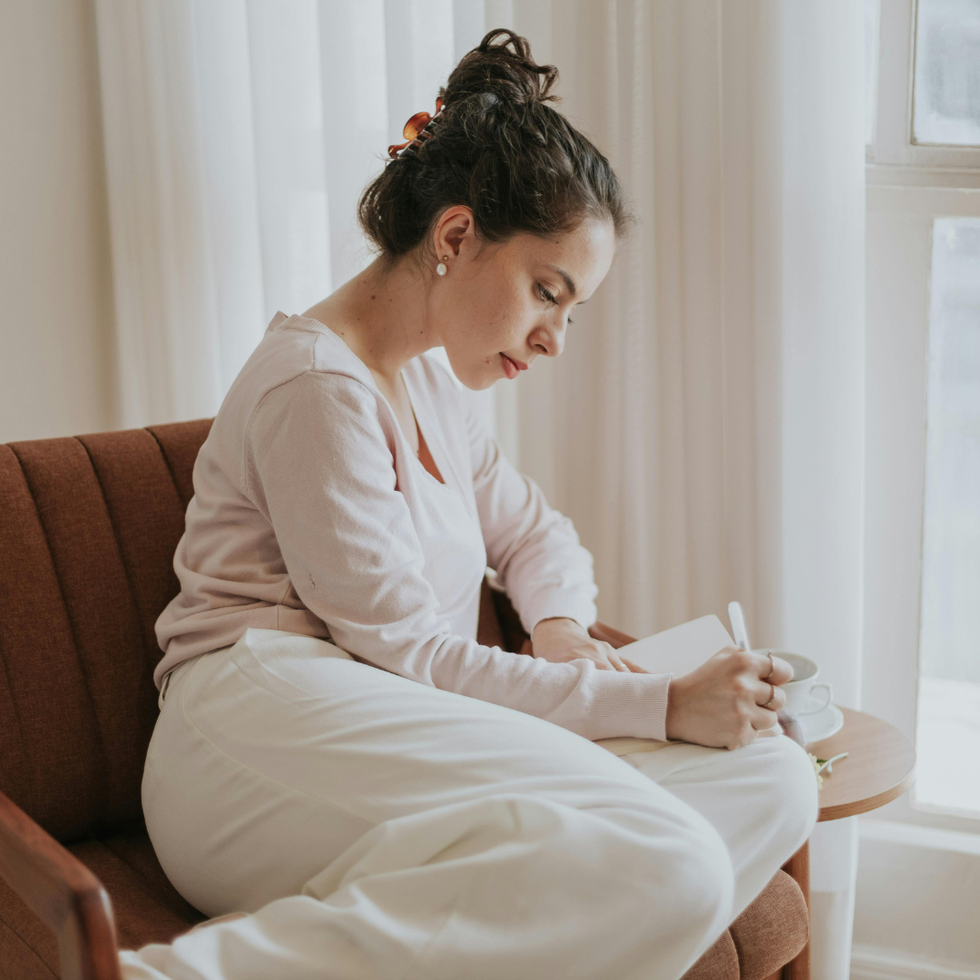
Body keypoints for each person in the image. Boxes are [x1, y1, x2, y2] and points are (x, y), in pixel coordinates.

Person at [122, 29, 818, 980]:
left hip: (395, 718)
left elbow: (534, 534)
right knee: (680, 858)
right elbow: (406, 651)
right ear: (455, 236)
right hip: (258, 719)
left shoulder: (436, 380)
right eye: (547, 292)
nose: (555, 339)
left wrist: (564, 629)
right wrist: (651, 700)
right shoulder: (316, 388)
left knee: (774, 777)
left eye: (572, 311)